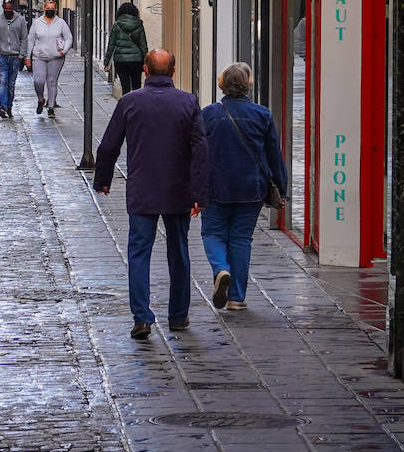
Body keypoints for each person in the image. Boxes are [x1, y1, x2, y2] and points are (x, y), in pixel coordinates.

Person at [92, 49, 209, 339]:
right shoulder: (188, 102)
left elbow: (109, 145)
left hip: (143, 189)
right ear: (172, 72)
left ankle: (142, 318)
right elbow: (200, 151)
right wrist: (199, 193)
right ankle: (179, 316)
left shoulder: (130, 102)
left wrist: (103, 179)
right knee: (179, 252)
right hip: (177, 190)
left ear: (145, 70)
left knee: (139, 253)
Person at [201, 62, 289, 312]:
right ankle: (236, 297)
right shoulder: (262, 114)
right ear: (247, 85)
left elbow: (197, 153)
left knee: (213, 233)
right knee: (241, 238)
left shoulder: (208, 114)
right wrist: (281, 188)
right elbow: (274, 154)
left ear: (222, 84)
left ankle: (221, 269)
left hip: (215, 186)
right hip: (251, 187)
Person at [25, 0, 73, 117]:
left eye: (52, 8)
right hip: (39, 57)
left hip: (56, 57)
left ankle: (51, 107)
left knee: (52, 81)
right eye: (48, 8)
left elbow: (69, 38)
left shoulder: (61, 23)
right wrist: (27, 57)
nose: (50, 10)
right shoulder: (37, 23)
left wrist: (64, 50)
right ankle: (41, 99)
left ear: (56, 10)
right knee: (38, 81)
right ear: (44, 9)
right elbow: (30, 40)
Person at [0, 0, 30, 118]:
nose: (8, 11)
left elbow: (24, 38)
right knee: (3, 82)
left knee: (11, 84)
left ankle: (9, 107)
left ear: (13, 9)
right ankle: (2, 106)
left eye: (10, 9)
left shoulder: (20, 20)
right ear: (3, 8)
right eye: (6, 9)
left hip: (16, 57)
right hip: (2, 56)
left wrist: (21, 56)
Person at [103, 2, 148, 95]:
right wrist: (146, 61)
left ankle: (126, 107)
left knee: (125, 87)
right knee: (137, 87)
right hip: (136, 61)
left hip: (121, 60)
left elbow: (111, 45)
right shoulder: (139, 25)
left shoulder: (116, 25)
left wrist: (106, 62)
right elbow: (143, 45)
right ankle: (137, 107)